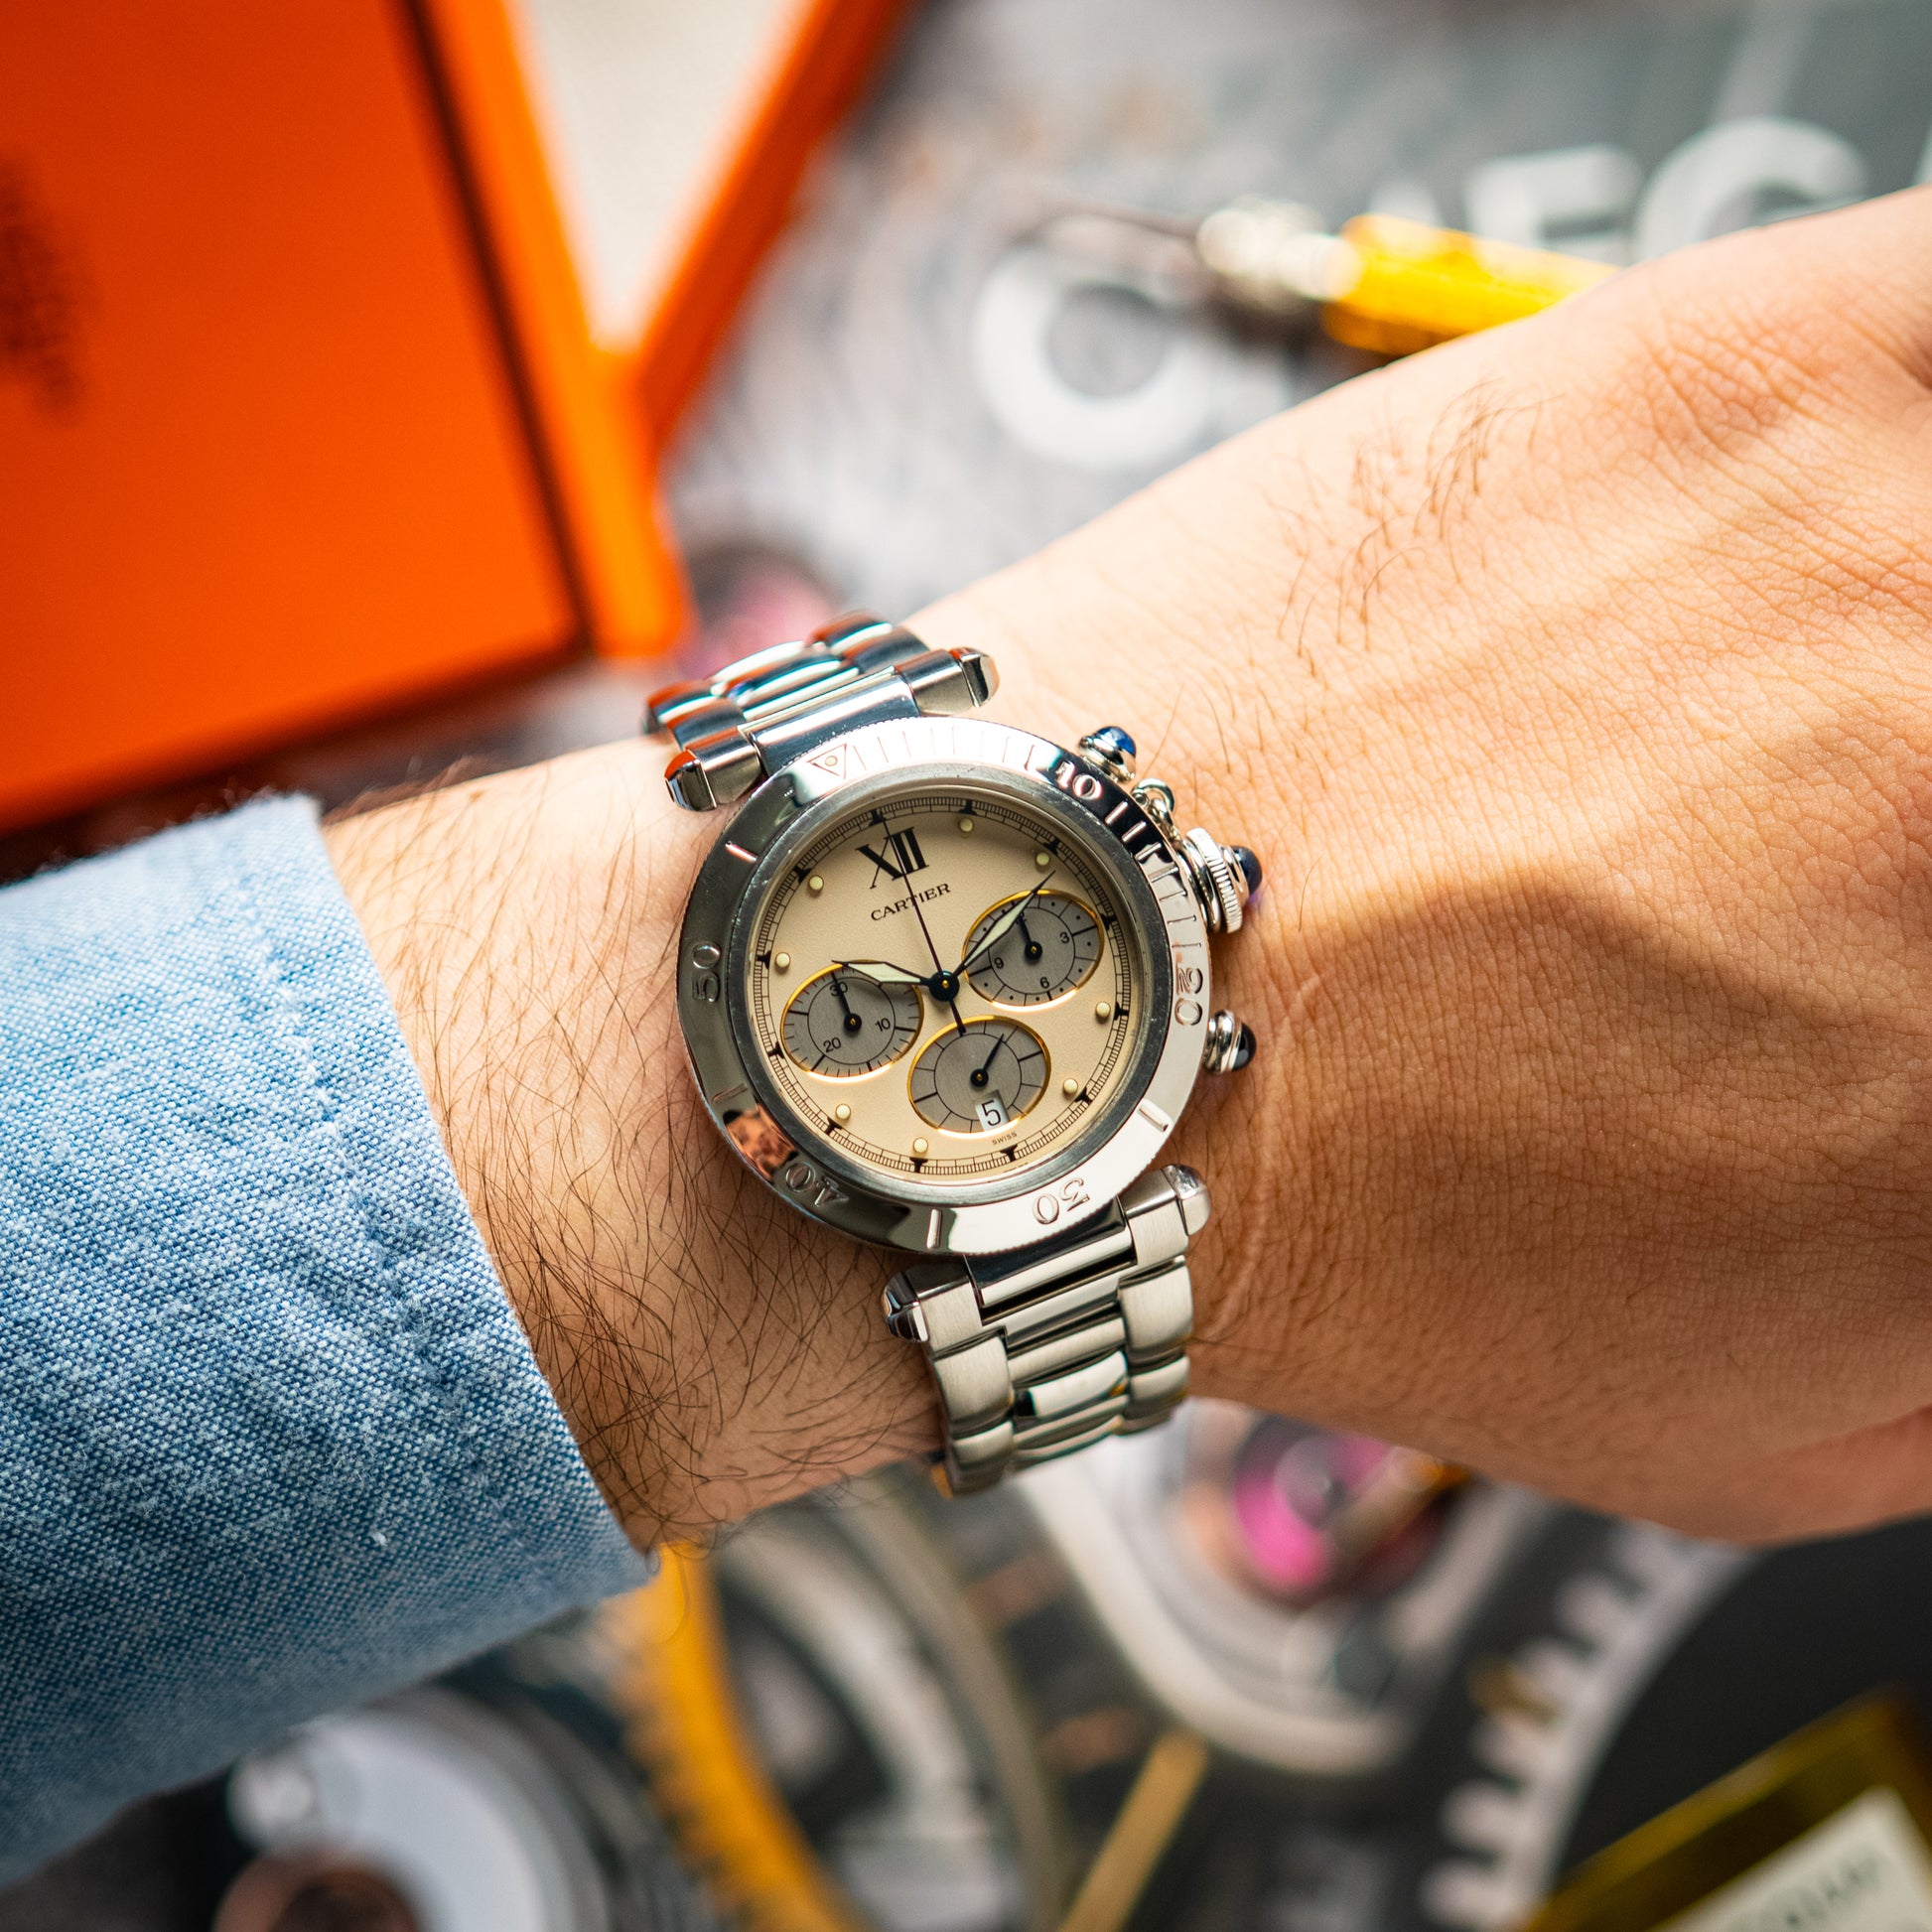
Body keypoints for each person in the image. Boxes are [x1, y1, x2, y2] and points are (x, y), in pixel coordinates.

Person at [10, 186, 1932, 1878]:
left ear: (1175, 880)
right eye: (883, 1002)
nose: (943, 1001)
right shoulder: (839, 1012)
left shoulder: (1107, 925)